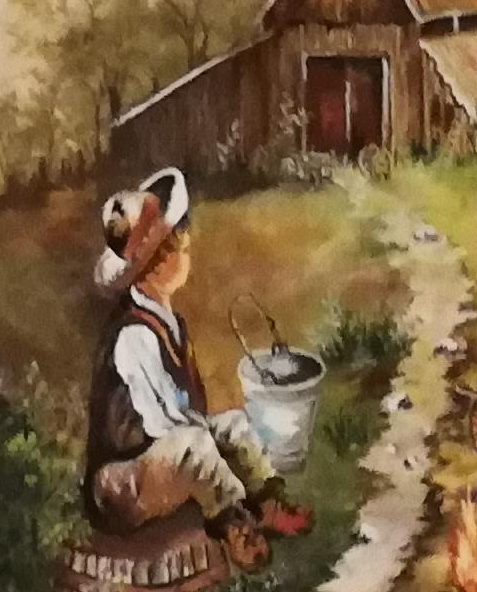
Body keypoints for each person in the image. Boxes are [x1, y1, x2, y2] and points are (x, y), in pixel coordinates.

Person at [83, 166, 310, 570]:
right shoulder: (134, 335)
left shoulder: (170, 323)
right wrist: (207, 440)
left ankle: (267, 503)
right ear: (156, 265)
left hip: (160, 450)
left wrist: (219, 434)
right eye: (182, 250)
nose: (188, 258)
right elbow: (160, 425)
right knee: (196, 446)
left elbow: (184, 413)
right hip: (120, 482)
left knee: (235, 424)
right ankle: (234, 524)